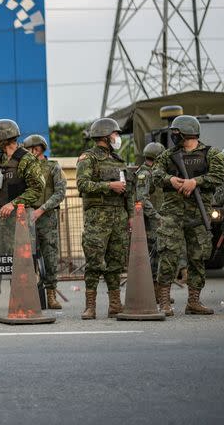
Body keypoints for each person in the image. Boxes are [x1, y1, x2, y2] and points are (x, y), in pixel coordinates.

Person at [152, 115, 224, 316]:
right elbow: (155, 174)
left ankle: (194, 301)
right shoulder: (168, 155)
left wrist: (195, 182)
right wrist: (171, 180)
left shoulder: (211, 154)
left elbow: (220, 175)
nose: (173, 136)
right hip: (172, 214)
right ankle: (164, 302)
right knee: (168, 255)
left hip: (198, 214)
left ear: (185, 133)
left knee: (198, 257)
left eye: (176, 133)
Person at [0, 119, 44, 321]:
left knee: (21, 261)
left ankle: (23, 302)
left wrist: (13, 204)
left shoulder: (26, 160)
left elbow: (36, 189)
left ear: (3, 138)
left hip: (19, 222)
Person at [76, 118, 132, 320]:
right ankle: (90, 307)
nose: (118, 138)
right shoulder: (88, 158)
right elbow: (82, 184)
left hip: (119, 217)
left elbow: (128, 190)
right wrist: (109, 186)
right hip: (97, 219)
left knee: (115, 262)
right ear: (106, 136)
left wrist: (131, 216)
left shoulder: (118, 160)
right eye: (115, 134)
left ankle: (115, 304)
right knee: (94, 262)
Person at [23, 134, 66, 309]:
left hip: (46, 217)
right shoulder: (24, 169)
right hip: (26, 216)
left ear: (37, 149)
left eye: (28, 149)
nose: (26, 153)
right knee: (27, 257)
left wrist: (41, 209)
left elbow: (60, 193)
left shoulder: (53, 167)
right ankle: (29, 294)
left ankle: (51, 294)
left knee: (50, 256)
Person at [135, 142, 165, 303]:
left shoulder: (155, 172)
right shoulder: (144, 174)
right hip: (152, 221)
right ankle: (154, 292)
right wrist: (156, 216)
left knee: (159, 253)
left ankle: (159, 290)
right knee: (153, 255)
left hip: (158, 218)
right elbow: (142, 198)